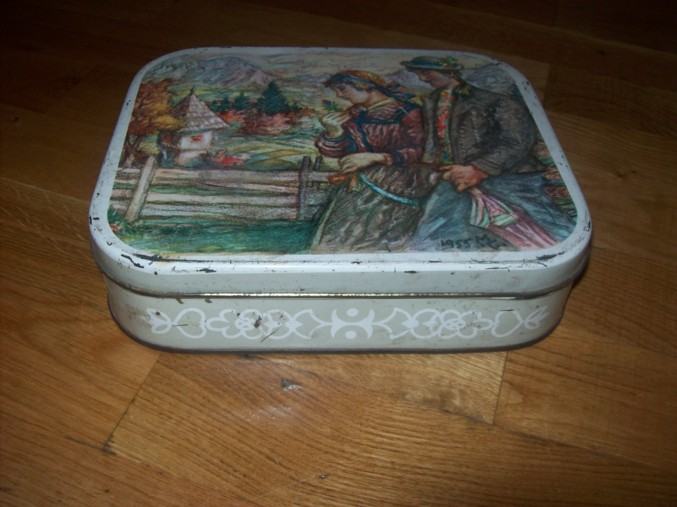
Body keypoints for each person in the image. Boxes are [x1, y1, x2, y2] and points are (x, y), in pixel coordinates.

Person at [401, 56, 572, 251]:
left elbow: (518, 140)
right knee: (431, 230)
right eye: (418, 74)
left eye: (426, 72)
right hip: (452, 178)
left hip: (508, 177)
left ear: (449, 72)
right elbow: (433, 142)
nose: (422, 78)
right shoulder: (431, 101)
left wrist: (479, 168)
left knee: (546, 225)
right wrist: (431, 168)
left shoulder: (493, 101)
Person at [311, 70, 435, 252]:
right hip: (359, 185)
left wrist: (378, 157)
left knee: (377, 238)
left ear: (364, 86)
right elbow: (339, 152)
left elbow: (422, 151)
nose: (339, 95)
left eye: (342, 89)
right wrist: (334, 133)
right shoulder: (354, 114)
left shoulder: (407, 112)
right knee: (338, 237)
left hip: (398, 185)